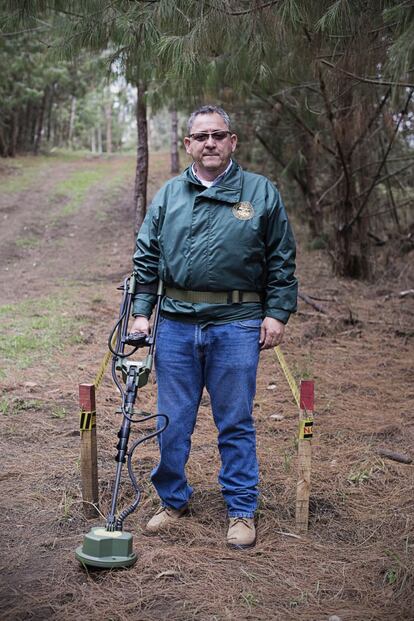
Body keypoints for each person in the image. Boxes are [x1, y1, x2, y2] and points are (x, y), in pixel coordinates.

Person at [130, 105, 297, 549]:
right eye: (200, 137)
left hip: (237, 324)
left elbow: (281, 260)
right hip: (177, 325)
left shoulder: (260, 193)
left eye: (218, 136)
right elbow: (146, 258)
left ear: (232, 141)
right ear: (188, 144)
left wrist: (276, 313)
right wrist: (143, 312)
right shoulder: (168, 195)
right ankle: (172, 500)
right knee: (172, 420)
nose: (209, 144)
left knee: (235, 420)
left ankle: (241, 509)